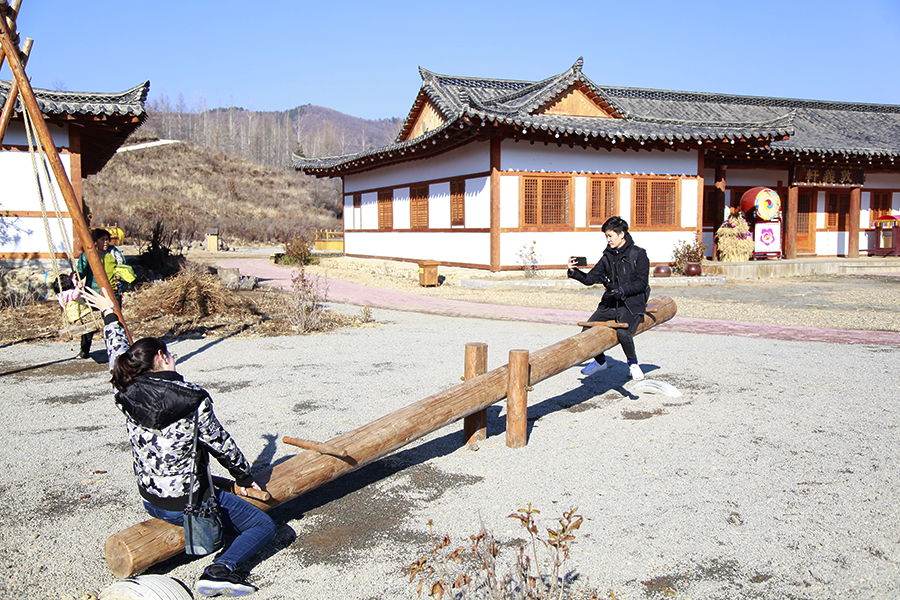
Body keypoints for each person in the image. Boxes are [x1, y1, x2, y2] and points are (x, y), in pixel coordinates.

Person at [83, 287, 276, 597]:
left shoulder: (126, 389)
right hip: (187, 506)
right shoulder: (191, 397)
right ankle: (220, 570)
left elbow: (117, 351)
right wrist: (244, 477)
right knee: (262, 526)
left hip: (151, 499)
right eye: (169, 352)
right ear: (161, 357)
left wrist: (109, 313)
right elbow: (221, 443)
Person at [567, 216, 650, 381]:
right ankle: (600, 361)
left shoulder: (639, 254)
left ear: (622, 234)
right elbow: (591, 279)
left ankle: (633, 364)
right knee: (587, 331)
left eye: (610, 236)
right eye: (606, 236)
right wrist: (574, 272)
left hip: (631, 303)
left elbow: (641, 283)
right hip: (611, 302)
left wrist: (622, 289)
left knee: (623, 332)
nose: (608, 239)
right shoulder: (608, 256)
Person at [75, 228, 129, 359]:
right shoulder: (88, 255)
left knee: (114, 322)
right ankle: (84, 350)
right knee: (89, 322)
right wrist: (76, 279)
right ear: (95, 241)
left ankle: (118, 349)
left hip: (112, 292)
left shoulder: (114, 254)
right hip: (93, 292)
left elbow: (123, 268)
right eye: (102, 239)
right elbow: (79, 272)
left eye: (107, 239)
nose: (105, 242)